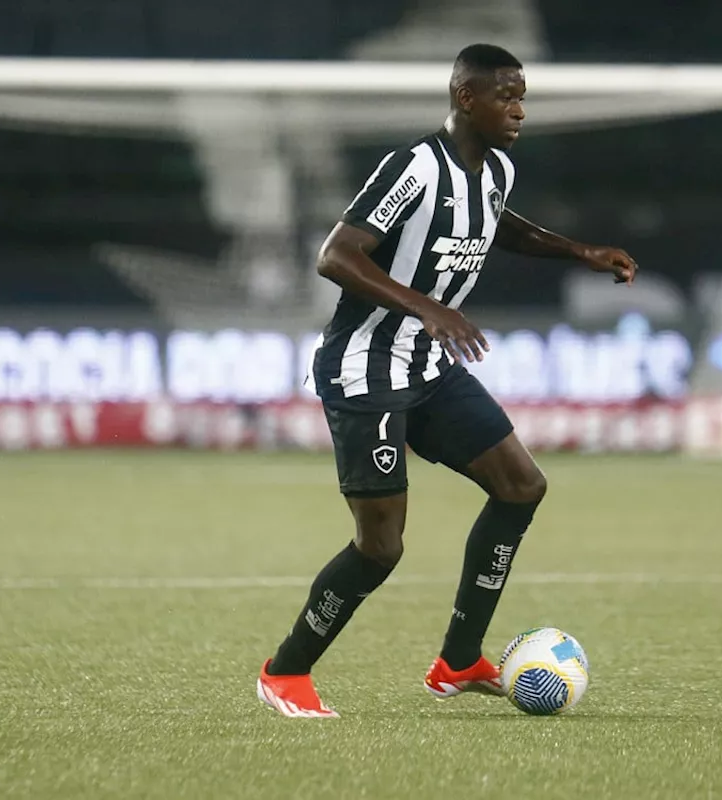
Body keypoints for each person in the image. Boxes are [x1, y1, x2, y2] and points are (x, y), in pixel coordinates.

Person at [256, 44, 638, 717]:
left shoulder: (497, 173)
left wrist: (579, 250)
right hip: (365, 369)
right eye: (506, 96)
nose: (519, 110)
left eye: (523, 97)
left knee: (521, 486)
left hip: (428, 368)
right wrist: (428, 306)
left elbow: (499, 227)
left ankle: (458, 661)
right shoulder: (413, 167)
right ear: (466, 97)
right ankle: (285, 673)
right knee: (381, 546)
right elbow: (335, 255)